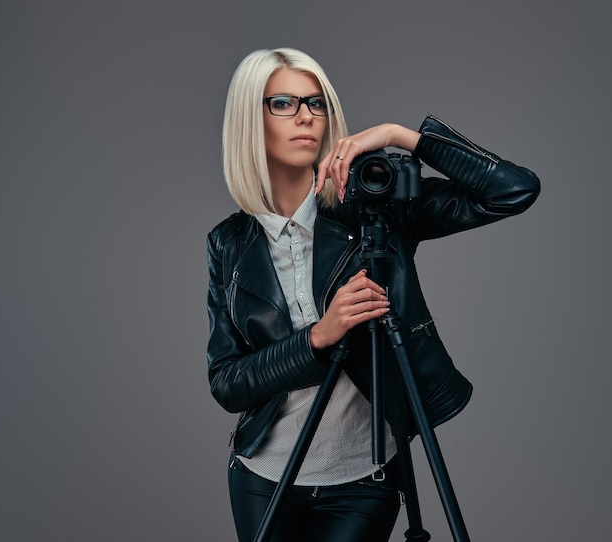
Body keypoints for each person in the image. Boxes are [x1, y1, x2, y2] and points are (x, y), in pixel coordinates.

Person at [206, 47, 540, 542]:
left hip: (364, 476)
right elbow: (227, 383)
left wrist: (401, 136)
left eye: (316, 103)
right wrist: (319, 338)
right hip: (262, 476)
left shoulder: (374, 209)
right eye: (283, 103)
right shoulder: (229, 243)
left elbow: (513, 190)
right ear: (248, 120)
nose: (305, 116)